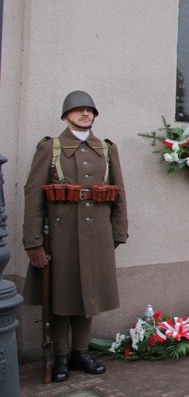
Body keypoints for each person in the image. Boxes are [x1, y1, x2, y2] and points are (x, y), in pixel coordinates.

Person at [22, 90, 128, 383]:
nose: (85, 114)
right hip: (61, 236)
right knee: (60, 296)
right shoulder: (50, 148)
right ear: (66, 115)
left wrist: (118, 232)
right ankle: (59, 356)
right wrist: (33, 242)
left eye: (90, 110)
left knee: (89, 294)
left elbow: (118, 193)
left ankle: (80, 352)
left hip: (97, 235)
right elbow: (33, 198)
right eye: (79, 110)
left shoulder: (106, 149)